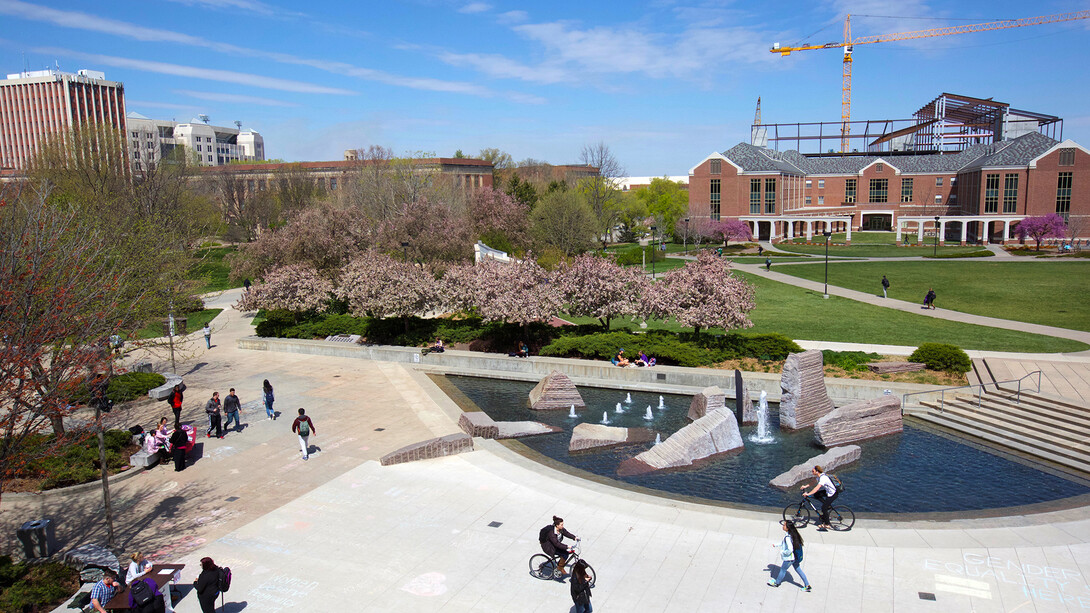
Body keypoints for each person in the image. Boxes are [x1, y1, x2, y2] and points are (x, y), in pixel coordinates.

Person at [768, 520, 811, 591]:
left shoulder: (788, 537)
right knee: (799, 570)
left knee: (783, 570)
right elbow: (783, 543)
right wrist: (775, 545)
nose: (783, 526)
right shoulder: (792, 535)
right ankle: (807, 585)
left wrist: (783, 552)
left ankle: (777, 583)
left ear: (788, 528)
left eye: (784, 525)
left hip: (789, 558)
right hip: (794, 558)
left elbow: (790, 549)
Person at [801, 465, 839, 531]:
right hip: (828, 492)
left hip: (833, 494)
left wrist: (808, 494)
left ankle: (827, 524)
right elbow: (813, 482)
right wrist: (805, 486)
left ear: (817, 471)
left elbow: (817, 487)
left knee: (823, 508)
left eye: (813, 471)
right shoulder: (819, 476)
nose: (812, 472)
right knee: (816, 495)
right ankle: (828, 506)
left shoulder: (823, 478)